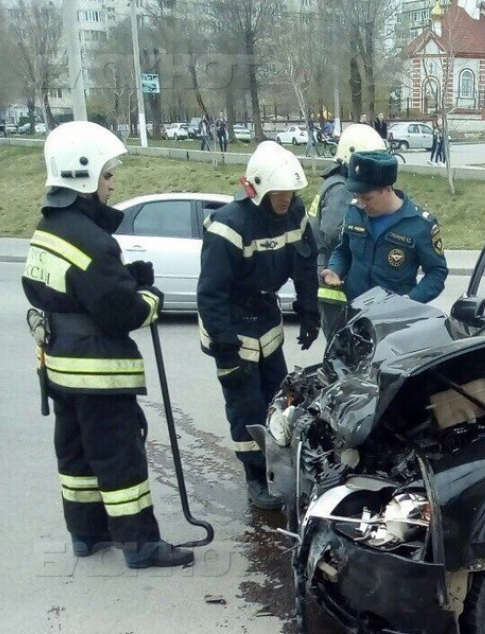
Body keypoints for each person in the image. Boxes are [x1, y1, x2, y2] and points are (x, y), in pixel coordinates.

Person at [21, 121, 193, 569]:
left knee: (75, 452)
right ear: (83, 176)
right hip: (99, 373)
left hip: (59, 367)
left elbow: (65, 288)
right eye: (107, 174)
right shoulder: (93, 241)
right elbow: (124, 313)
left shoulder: (49, 227)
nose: (112, 183)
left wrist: (125, 279)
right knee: (120, 458)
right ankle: (141, 545)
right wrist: (149, 296)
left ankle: (86, 533)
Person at [197, 141, 319, 510]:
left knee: (278, 399)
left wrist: (309, 310)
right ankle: (254, 475)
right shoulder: (228, 226)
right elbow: (211, 292)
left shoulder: (294, 215)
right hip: (231, 325)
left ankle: (279, 466)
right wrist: (224, 343)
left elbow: (305, 266)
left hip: (266, 318)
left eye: (290, 194)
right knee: (244, 405)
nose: (286, 201)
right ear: (258, 189)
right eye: (279, 195)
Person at [321, 150, 449, 307]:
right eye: (357, 197)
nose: (362, 204)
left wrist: (410, 301)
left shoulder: (420, 224)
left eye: (367, 198)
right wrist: (334, 270)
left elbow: (437, 272)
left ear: (388, 189)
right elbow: (343, 251)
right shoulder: (354, 212)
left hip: (393, 317)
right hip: (354, 311)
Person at [308, 124, 387, 341]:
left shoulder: (334, 182)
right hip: (335, 281)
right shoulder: (342, 189)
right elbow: (335, 233)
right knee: (344, 346)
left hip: (328, 272)